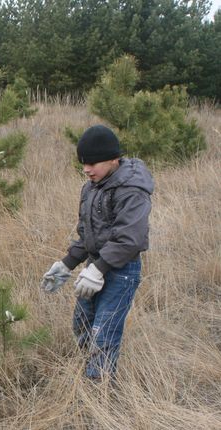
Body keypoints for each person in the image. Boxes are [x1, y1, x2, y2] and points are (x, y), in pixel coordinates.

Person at [41, 125, 153, 382]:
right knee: (82, 326)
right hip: (94, 268)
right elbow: (89, 234)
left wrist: (99, 269)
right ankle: (88, 375)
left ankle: (98, 394)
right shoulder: (92, 187)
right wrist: (67, 264)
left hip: (121, 272)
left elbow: (130, 240)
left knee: (104, 334)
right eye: (83, 163)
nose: (86, 169)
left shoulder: (132, 189)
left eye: (93, 163)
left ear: (114, 158)